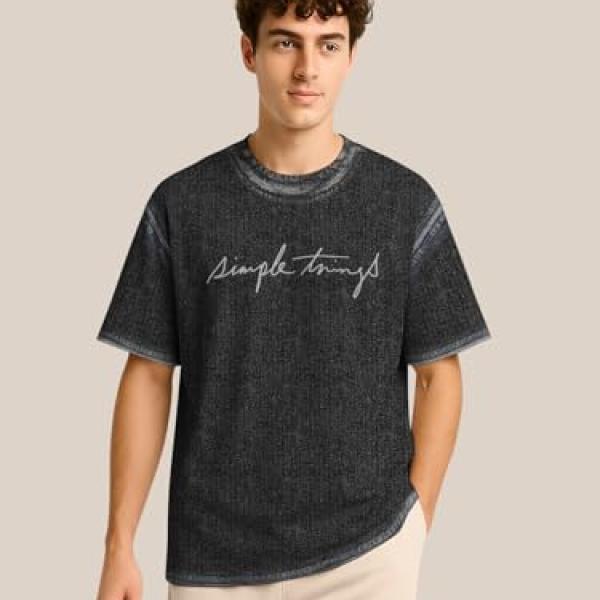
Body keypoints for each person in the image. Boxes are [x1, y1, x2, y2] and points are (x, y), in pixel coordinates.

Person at [94, 2, 492, 599]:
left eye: (328, 44)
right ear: (248, 52)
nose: (308, 67)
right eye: (286, 43)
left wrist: (414, 525)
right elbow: (148, 375)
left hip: (368, 553)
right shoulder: (182, 204)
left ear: (351, 56)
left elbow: (440, 374)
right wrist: (119, 544)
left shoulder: (404, 203)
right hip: (214, 560)